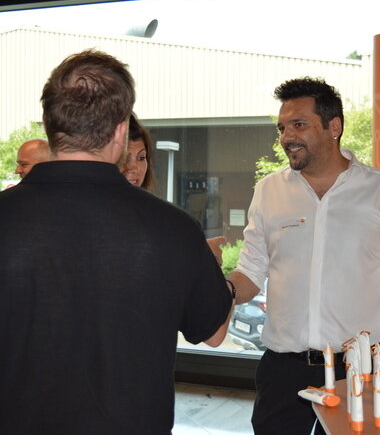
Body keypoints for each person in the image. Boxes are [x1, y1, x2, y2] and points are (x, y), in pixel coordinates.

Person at [0, 49, 234, 435]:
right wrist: (220, 277)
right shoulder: (173, 229)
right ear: (121, 132)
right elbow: (213, 332)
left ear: (47, 124)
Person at [226, 77, 380, 435]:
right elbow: (251, 271)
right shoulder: (269, 190)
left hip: (359, 371)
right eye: (282, 127)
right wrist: (215, 288)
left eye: (299, 125)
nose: (287, 137)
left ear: (334, 127)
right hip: (282, 371)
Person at [121, 112, 226, 260]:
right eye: (125, 158)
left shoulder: (159, 216)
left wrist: (197, 251)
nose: (135, 168)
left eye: (141, 158)